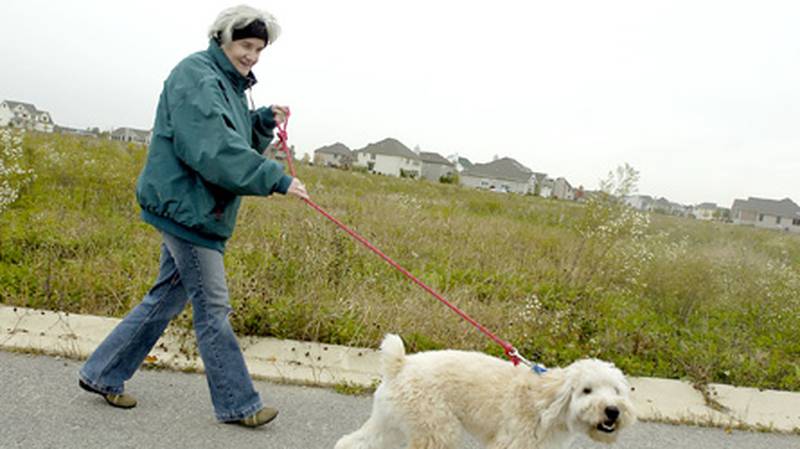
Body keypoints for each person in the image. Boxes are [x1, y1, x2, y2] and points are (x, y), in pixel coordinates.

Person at [78, 5, 308, 428]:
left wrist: (259, 121)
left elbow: (232, 136)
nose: (252, 55)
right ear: (222, 38)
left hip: (199, 209)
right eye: (245, 45)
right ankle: (239, 404)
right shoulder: (197, 76)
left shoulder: (228, 84)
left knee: (166, 297)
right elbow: (213, 149)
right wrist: (275, 179)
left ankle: (102, 373)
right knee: (213, 308)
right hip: (188, 209)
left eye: (259, 48)